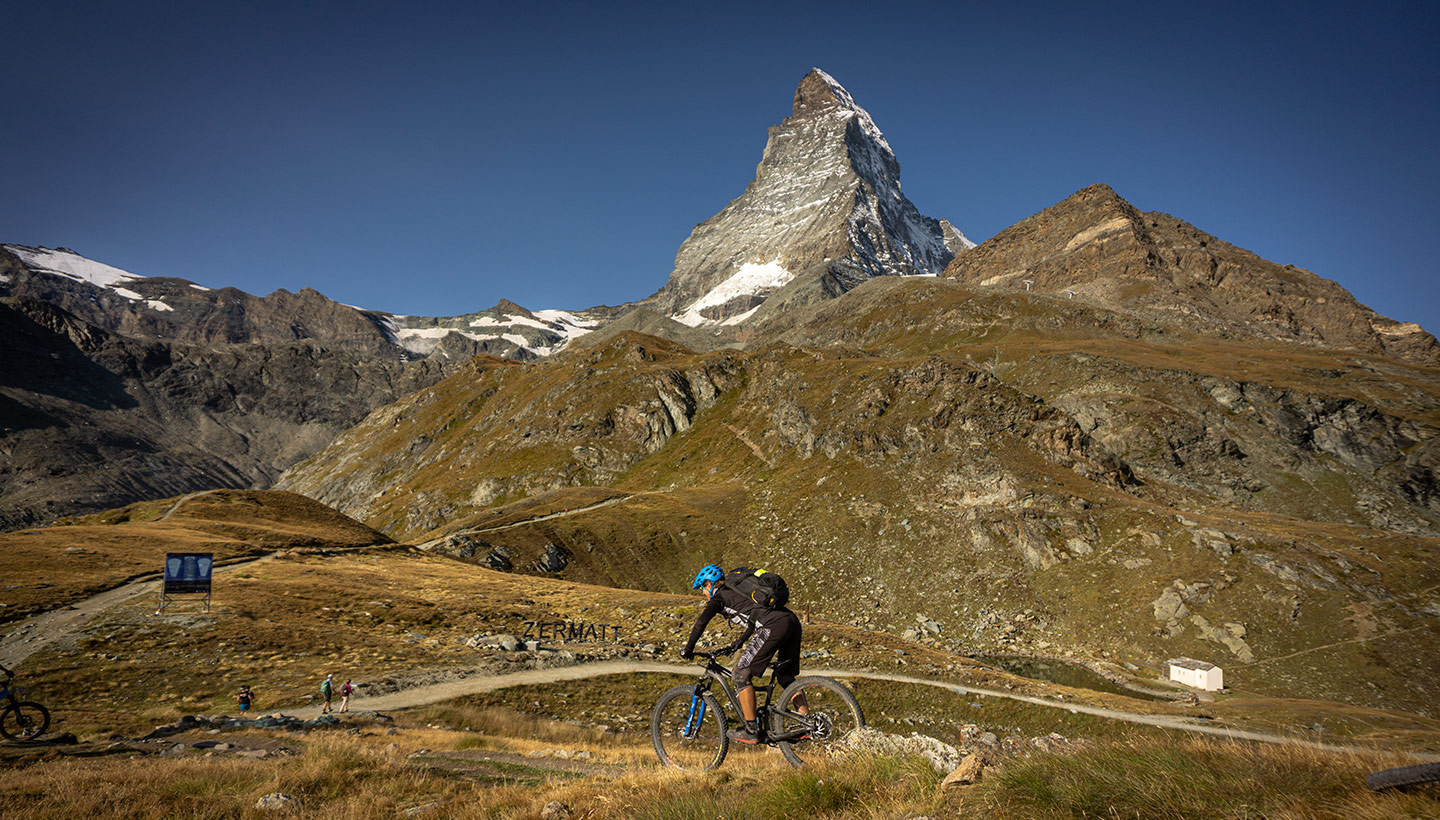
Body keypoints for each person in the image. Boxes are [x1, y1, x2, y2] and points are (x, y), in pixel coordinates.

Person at [680, 564, 803, 745]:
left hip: (773, 626)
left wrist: (688, 648)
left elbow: (701, 622)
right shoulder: (740, 592)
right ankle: (807, 723)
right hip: (791, 621)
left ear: (709, 584)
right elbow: (754, 617)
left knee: (740, 673)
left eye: (702, 589)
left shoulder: (719, 597)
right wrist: (739, 642)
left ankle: (751, 729)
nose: (703, 594)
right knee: (785, 676)